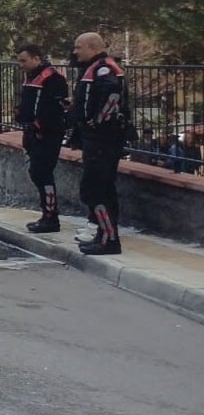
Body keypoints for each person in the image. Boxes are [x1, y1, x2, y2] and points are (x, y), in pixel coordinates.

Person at [68, 32, 129, 255]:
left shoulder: (105, 68)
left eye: (78, 47)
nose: (75, 52)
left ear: (92, 47)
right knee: (99, 188)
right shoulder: (95, 68)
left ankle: (109, 239)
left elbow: (112, 96)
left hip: (103, 139)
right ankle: (104, 235)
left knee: (96, 189)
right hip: (97, 138)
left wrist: (96, 123)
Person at [14, 44, 69, 232]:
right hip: (32, 133)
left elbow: (53, 108)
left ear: (37, 58)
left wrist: (38, 125)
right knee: (36, 173)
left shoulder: (53, 78)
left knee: (43, 173)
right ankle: (46, 214)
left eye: (24, 60)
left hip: (47, 134)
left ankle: (51, 217)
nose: (21, 65)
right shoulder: (32, 77)